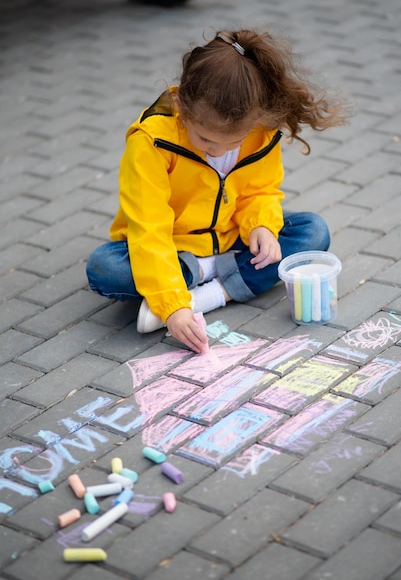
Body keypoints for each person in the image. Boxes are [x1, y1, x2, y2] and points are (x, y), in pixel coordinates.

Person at [86, 28, 349, 354]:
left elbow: (260, 191)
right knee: (106, 269)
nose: (215, 151)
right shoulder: (151, 141)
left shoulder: (261, 129)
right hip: (172, 246)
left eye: (233, 143)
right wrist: (173, 307)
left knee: (313, 232)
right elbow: (148, 229)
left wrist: (262, 226)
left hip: (230, 234)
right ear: (181, 105)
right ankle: (205, 275)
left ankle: (208, 294)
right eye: (206, 140)